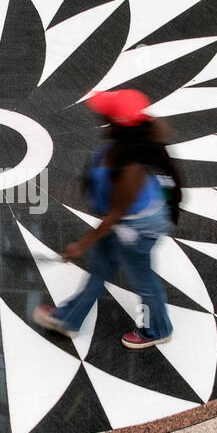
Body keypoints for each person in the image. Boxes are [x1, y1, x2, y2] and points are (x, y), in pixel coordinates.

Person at [33, 89, 181, 350]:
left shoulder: (131, 168)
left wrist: (83, 243)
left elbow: (117, 213)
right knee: (100, 269)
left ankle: (158, 329)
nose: (101, 114)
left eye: (108, 113)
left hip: (136, 230)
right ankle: (68, 319)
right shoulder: (126, 142)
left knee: (142, 278)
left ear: (116, 123)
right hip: (125, 224)